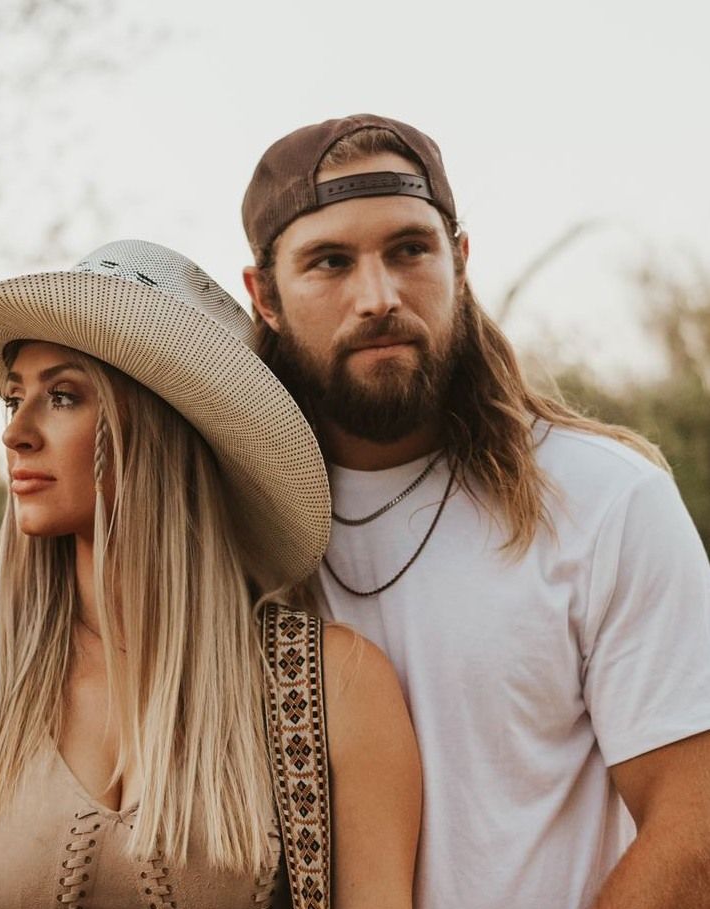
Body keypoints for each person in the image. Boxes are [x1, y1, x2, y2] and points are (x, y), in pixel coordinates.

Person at [0, 239, 421, 909]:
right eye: (16, 400)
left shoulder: (329, 682)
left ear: (163, 428)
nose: (17, 433)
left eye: (63, 396)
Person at [240, 114, 710, 909]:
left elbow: (692, 826)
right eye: (329, 262)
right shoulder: (227, 527)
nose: (378, 296)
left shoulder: (599, 496)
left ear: (458, 261)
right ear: (266, 298)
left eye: (408, 250)